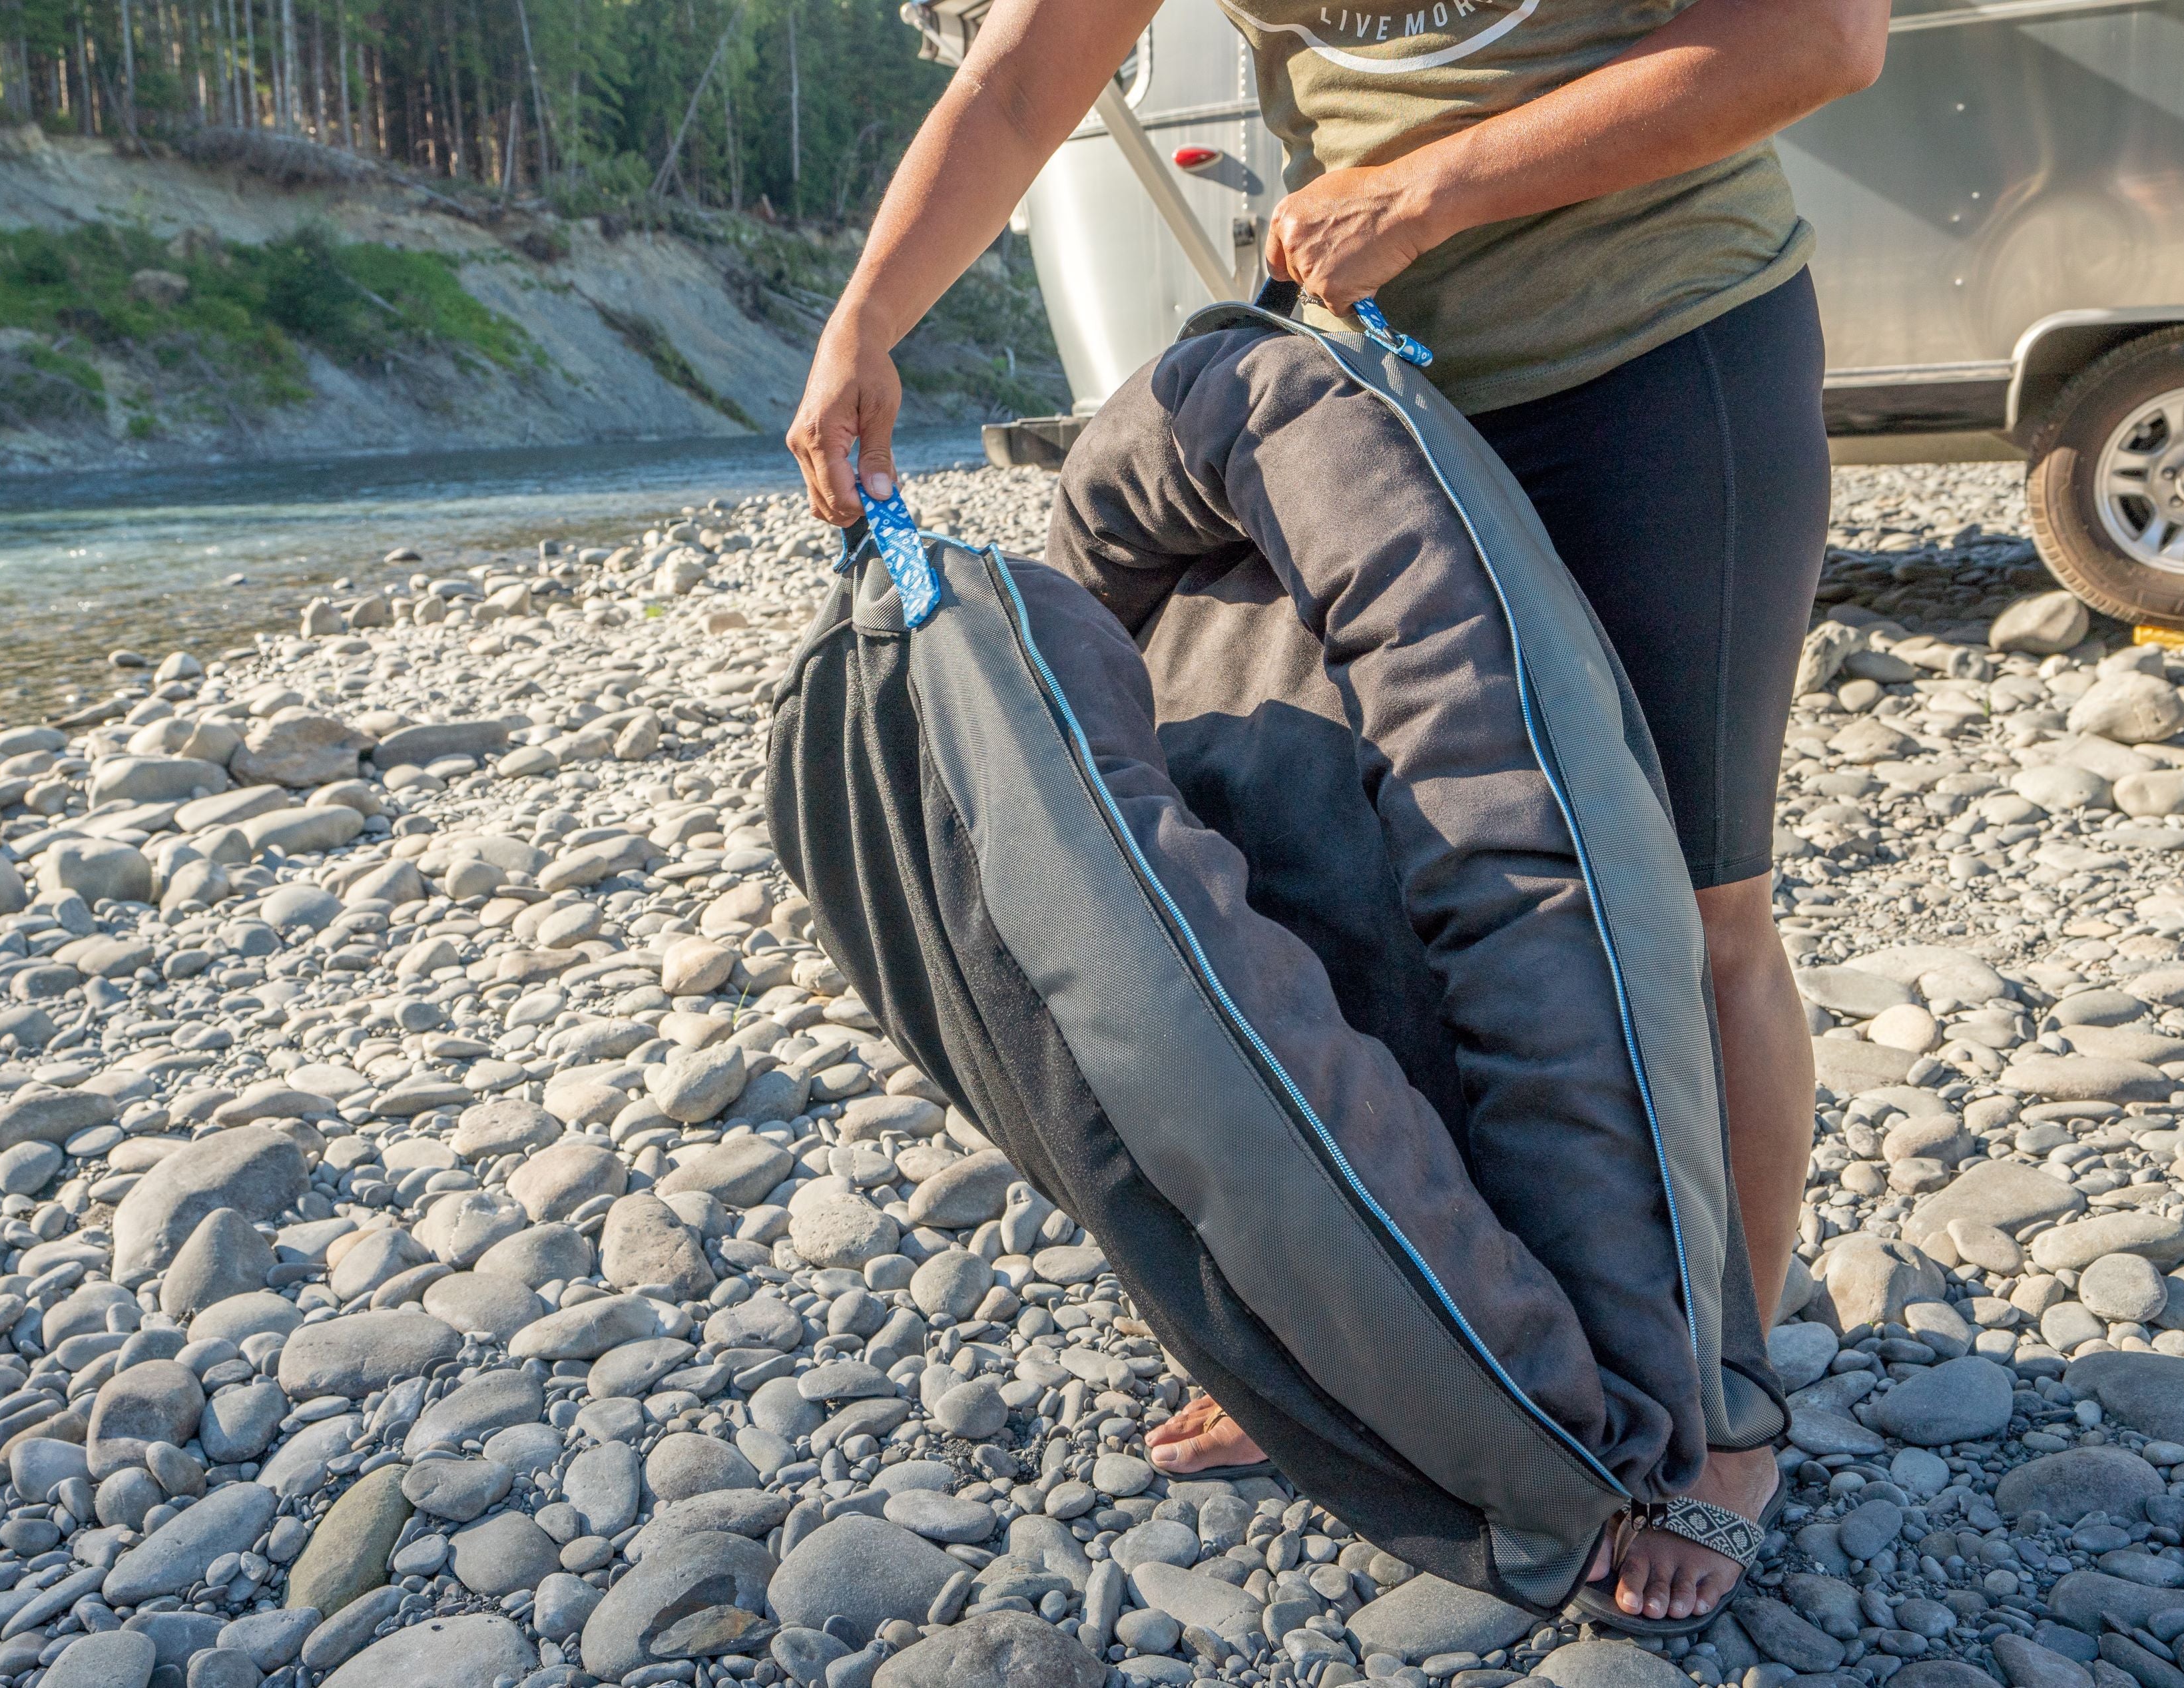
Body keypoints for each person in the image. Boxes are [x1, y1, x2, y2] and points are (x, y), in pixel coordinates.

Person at [787, 0, 1891, 1630]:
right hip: (1352, 397)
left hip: (1652, 365)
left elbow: (1815, 43)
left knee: (1688, 903)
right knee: (1342, 878)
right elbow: (1025, 72)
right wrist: (866, 318)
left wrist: (1439, 185)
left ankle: (1715, 1418)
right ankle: (1371, 1337)